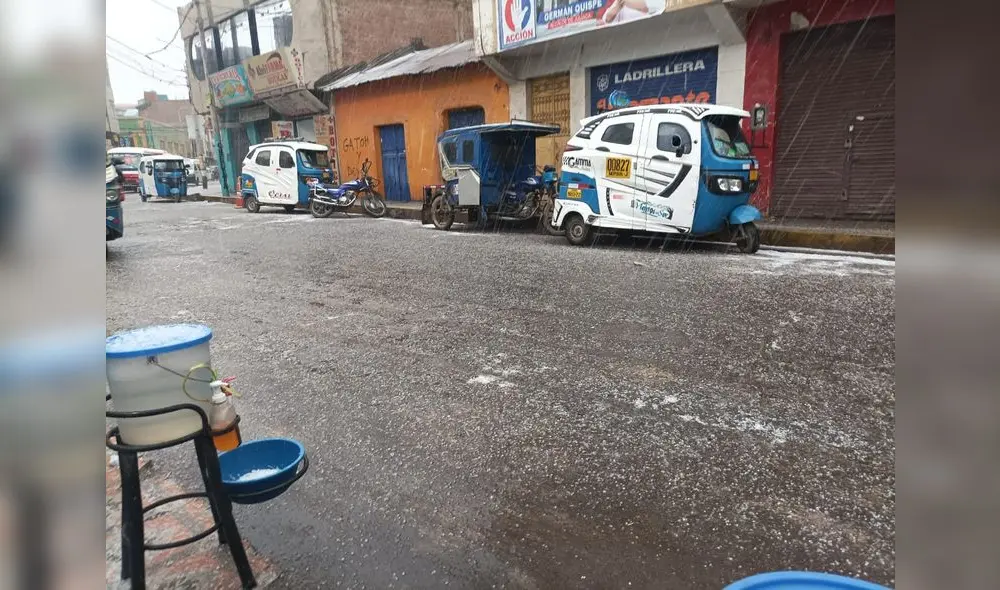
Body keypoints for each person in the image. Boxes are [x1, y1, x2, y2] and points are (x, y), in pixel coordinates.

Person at [601, 0, 666, 25]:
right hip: (625, 41)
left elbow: (648, 6)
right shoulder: (620, 2)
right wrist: (615, 8)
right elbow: (607, 19)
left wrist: (627, 2)